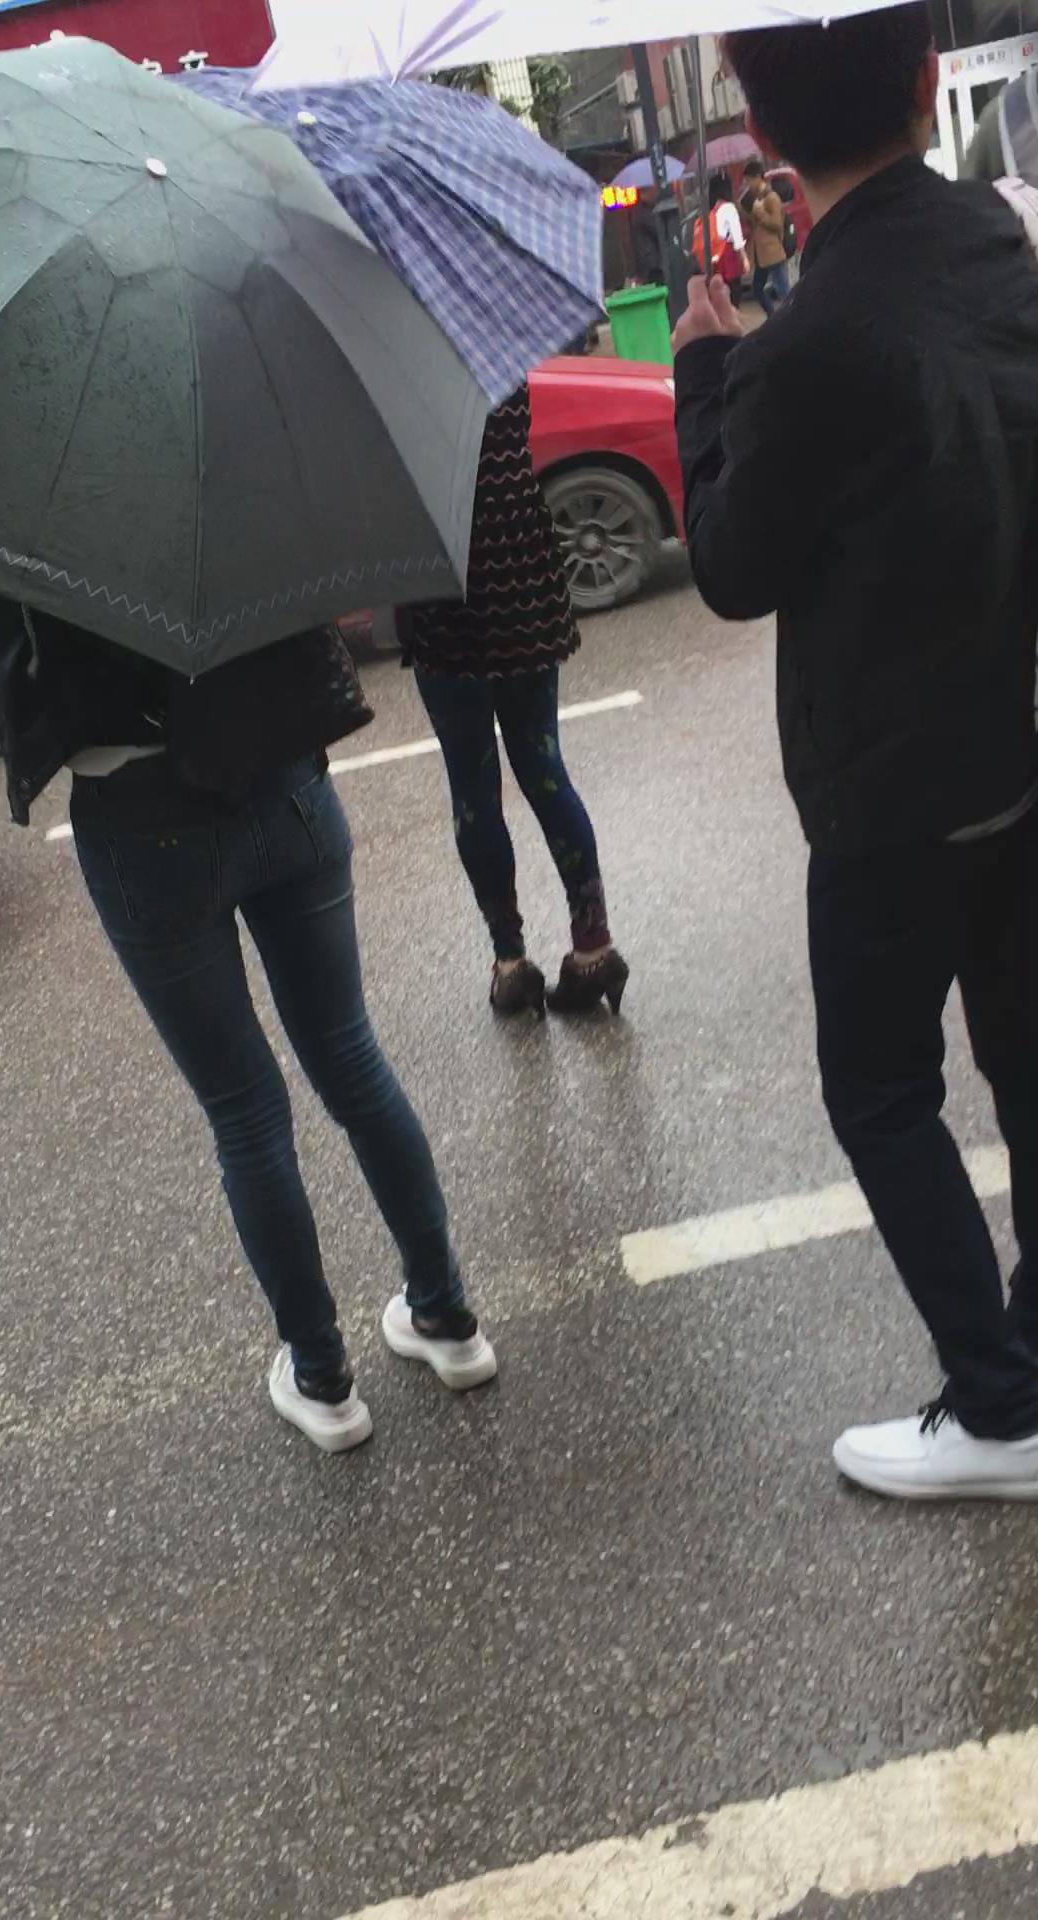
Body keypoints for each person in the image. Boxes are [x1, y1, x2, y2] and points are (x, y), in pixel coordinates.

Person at [671, 3, 1038, 1500]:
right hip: (1018, 741)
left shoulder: (806, 342)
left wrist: (707, 375)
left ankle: (1001, 1410)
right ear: (929, 75)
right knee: (1025, 1059)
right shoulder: (1001, 245)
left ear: (762, 133)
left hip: (889, 790)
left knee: (882, 1090)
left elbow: (733, 567)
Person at [0, 590, 497, 1455]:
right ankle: (446, 1316)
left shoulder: (42, 524)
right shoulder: (231, 496)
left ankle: (323, 1379)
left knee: (246, 1112)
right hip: (283, 778)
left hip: (139, 816)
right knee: (352, 1060)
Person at [401, 385, 628, 1018]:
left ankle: (511, 961)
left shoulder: (401, 365)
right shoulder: (499, 339)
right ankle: (594, 948)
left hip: (448, 595)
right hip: (526, 583)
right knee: (545, 767)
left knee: (473, 787)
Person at [692, 176, 749, 306]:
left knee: (720, 289)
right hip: (728, 253)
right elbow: (736, 235)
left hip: (717, 253)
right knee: (734, 289)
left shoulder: (712, 209)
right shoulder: (729, 207)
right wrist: (744, 258)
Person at [742, 159, 789, 314]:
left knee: (783, 291)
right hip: (761, 254)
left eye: (749, 180)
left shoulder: (771, 197)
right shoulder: (758, 198)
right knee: (757, 288)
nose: (748, 185)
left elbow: (776, 223)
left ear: (758, 177)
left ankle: (792, 316)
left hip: (772, 252)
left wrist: (759, 212)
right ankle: (772, 315)